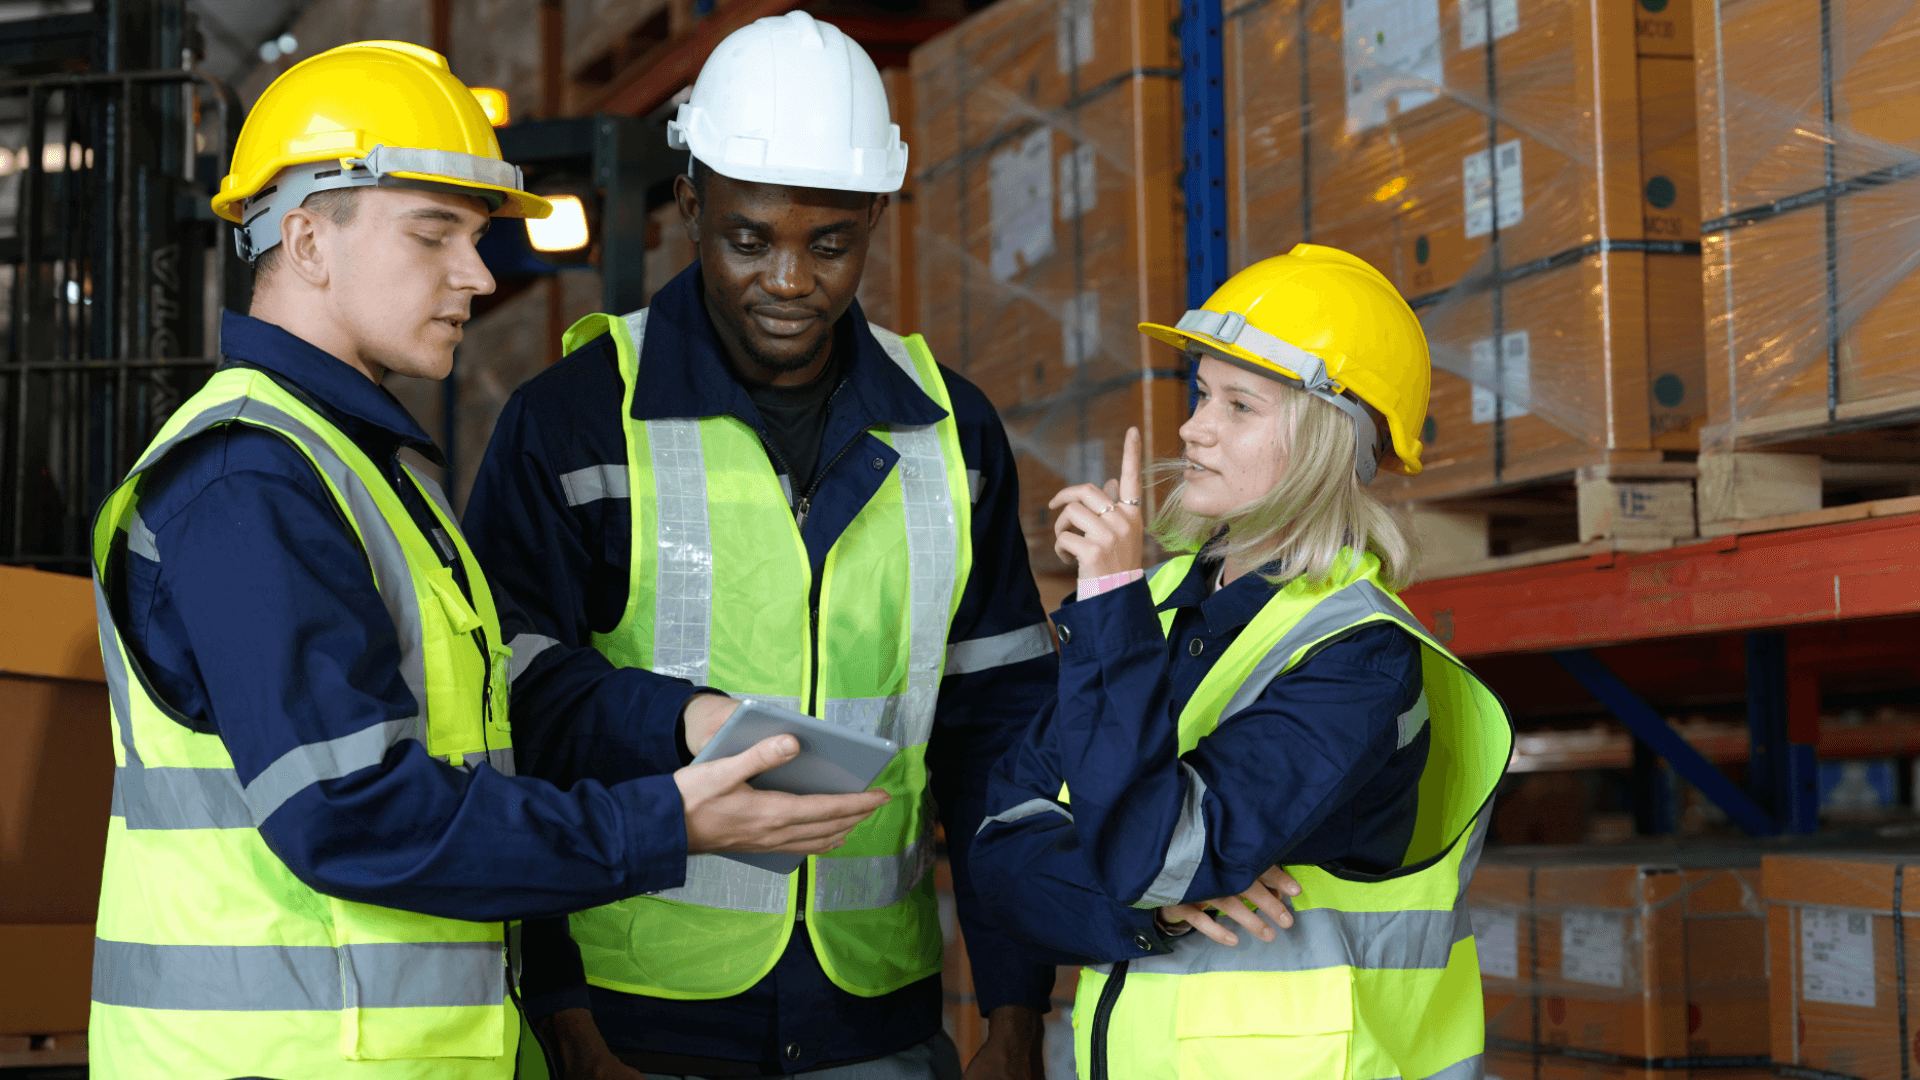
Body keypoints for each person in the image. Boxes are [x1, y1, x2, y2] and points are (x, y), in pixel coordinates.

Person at [87, 40, 887, 1080]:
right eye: (434, 237)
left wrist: (677, 723)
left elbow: (486, 716)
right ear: (307, 241)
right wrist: (667, 822)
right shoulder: (250, 482)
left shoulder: (364, 470)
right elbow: (351, 814)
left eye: (474, 238)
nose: (475, 274)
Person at [462, 12, 1060, 1079]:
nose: (790, 280)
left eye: (830, 244)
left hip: (873, 1014)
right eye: (750, 239)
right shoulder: (576, 420)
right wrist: (559, 1010)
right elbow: (513, 716)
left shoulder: (949, 432)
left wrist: (1015, 1008)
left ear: (875, 217)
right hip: (633, 1022)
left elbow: (998, 739)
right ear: (689, 201)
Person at [969, 245, 1515, 1080]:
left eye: (1240, 404)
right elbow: (1000, 854)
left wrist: (1107, 599)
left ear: (1331, 440)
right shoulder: (1150, 606)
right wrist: (1161, 912)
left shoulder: (1359, 657)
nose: (1193, 426)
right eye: (1200, 393)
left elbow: (1156, 857)